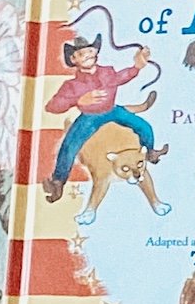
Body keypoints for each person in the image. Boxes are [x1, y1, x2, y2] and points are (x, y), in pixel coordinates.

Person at [41, 35, 166, 203]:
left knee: (144, 126)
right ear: (73, 59)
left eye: (90, 51)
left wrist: (137, 67)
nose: (88, 55)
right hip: (89, 117)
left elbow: (121, 77)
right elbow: (52, 106)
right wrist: (78, 100)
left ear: (96, 52)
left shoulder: (107, 72)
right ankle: (58, 182)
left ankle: (149, 152)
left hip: (112, 110)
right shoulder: (71, 86)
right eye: (82, 53)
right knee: (70, 145)